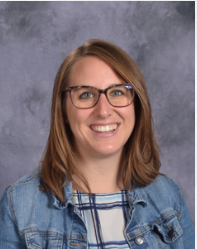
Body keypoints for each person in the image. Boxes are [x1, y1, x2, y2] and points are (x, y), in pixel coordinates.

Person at [0, 39, 194, 249]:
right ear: (63, 110)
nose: (103, 111)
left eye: (118, 92)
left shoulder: (167, 196)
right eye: (86, 94)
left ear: (137, 105)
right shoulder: (19, 204)